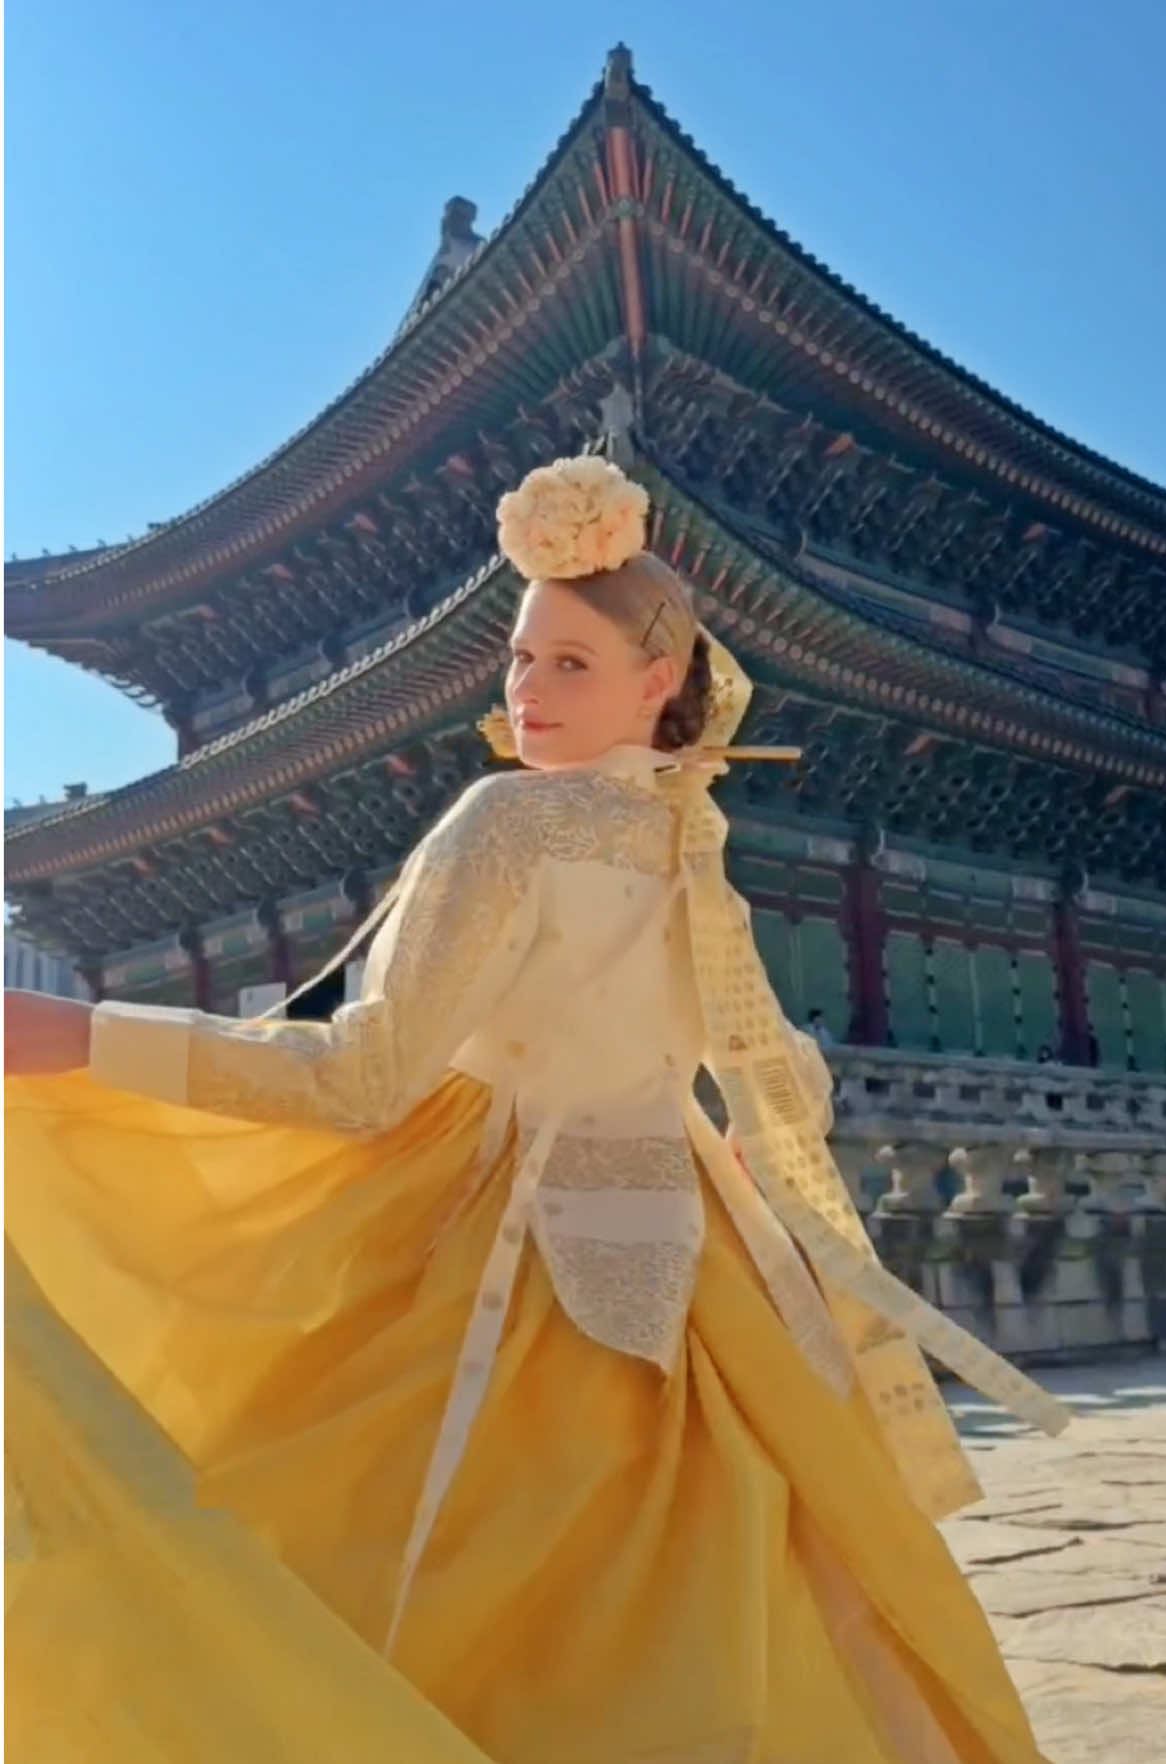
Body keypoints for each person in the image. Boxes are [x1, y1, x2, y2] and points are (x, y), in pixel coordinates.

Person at [5, 457, 1064, 1763]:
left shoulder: (508, 822)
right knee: (752, 1587)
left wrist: (90, 1038)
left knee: (387, 1583)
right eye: (519, 661)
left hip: (496, 1259)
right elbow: (777, 1060)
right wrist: (744, 1146)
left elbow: (363, 1077)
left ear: (657, 681)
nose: (528, 691)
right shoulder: (685, 833)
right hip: (693, 1267)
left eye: (570, 662)